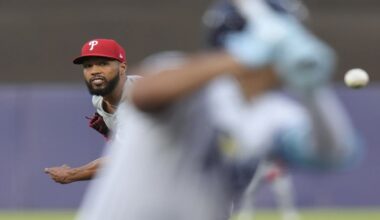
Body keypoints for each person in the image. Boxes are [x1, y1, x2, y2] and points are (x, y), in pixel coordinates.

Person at [76, 0, 361, 220]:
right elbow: (145, 95)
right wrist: (242, 57)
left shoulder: (273, 114)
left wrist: (313, 93)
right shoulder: (179, 77)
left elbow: (332, 153)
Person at [44, 39, 139, 184]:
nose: (94, 71)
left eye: (103, 63)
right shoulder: (98, 99)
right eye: (88, 66)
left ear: (122, 68)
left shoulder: (138, 103)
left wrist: (71, 174)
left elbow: (124, 159)